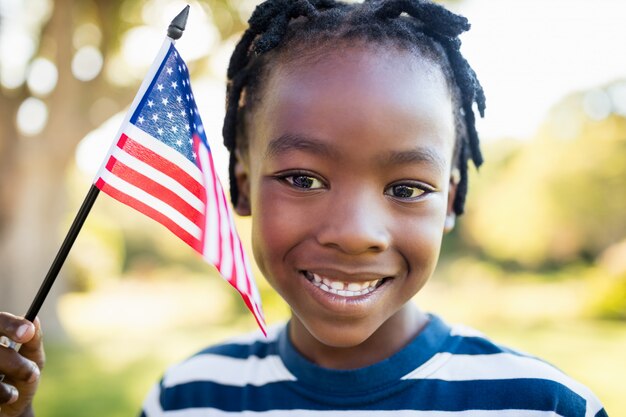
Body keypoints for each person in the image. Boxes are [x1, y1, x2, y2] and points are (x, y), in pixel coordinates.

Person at [0, 0, 609, 416]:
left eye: (406, 188)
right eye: (302, 177)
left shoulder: (540, 403)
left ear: (449, 200)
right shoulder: (189, 397)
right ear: (239, 187)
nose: (355, 234)